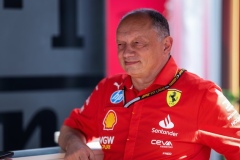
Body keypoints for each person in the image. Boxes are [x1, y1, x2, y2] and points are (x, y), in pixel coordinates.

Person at [58, 8, 240, 160]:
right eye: (121, 44)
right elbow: (73, 128)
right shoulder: (108, 88)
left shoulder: (202, 95)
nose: (127, 53)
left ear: (166, 45)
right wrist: (74, 143)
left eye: (138, 43)